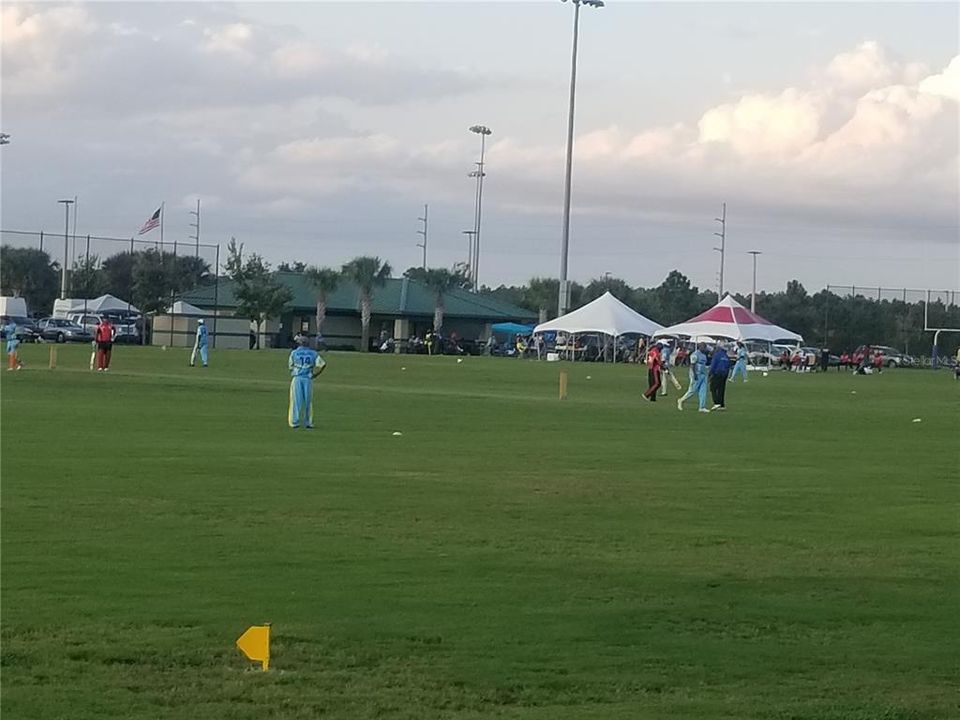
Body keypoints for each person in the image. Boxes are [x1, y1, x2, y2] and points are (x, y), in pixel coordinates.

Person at [288, 334, 326, 429]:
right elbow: (323, 364)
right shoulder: (313, 353)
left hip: (297, 378)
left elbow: (290, 366)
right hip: (308, 379)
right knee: (308, 401)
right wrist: (315, 375)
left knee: (295, 401)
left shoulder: (294, 353)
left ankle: (294, 422)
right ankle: (308, 422)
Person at [677, 342, 709, 412]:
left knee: (703, 391)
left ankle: (702, 407)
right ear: (700, 347)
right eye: (703, 347)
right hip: (697, 374)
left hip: (703, 374)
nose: (704, 348)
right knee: (692, 390)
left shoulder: (704, 355)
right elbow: (692, 365)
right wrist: (694, 375)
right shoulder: (695, 354)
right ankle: (681, 400)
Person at [709, 343, 730, 410]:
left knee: (713, 388)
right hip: (724, 374)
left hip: (717, 373)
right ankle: (722, 405)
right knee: (721, 389)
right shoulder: (726, 356)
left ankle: (716, 403)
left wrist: (710, 373)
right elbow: (728, 366)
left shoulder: (717, 355)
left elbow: (713, 365)